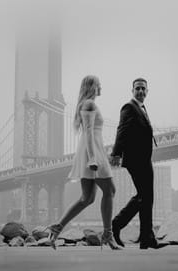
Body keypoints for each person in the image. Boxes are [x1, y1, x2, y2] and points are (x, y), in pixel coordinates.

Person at [47, 75, 122, 250]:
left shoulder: (87, 104)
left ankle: (57, 227)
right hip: (92, 152)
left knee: (87, 198)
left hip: (92, 150)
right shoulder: (89, 104)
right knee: (110, 190)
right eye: (99, 85)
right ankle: (108, 235)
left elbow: (91, 132)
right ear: (92, 87)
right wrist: (93, 158)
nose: (101, 87)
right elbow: (88, 132)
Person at [109, 77, 165, 249]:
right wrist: (116, 153)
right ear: (132, 91)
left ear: (147, 92)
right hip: (136, 159)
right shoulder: (129, 107)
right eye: (137, 88)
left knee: (146, 197)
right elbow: (122, 129)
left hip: (144, 159)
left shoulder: (142, 108)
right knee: (144, 196)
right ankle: (117, 225)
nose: (140, 91)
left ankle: (146, 237)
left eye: (143, 89)